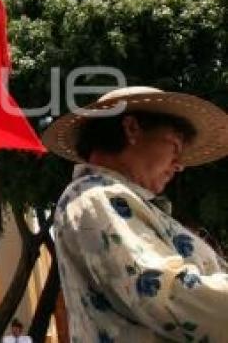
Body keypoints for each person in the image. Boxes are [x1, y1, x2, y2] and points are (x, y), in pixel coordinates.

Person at [45, 86, 228, 341]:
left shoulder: (115, 198)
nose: (179, 165)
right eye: (174, 146)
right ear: (131, 129)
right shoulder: (95, 196)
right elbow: (161, 293)